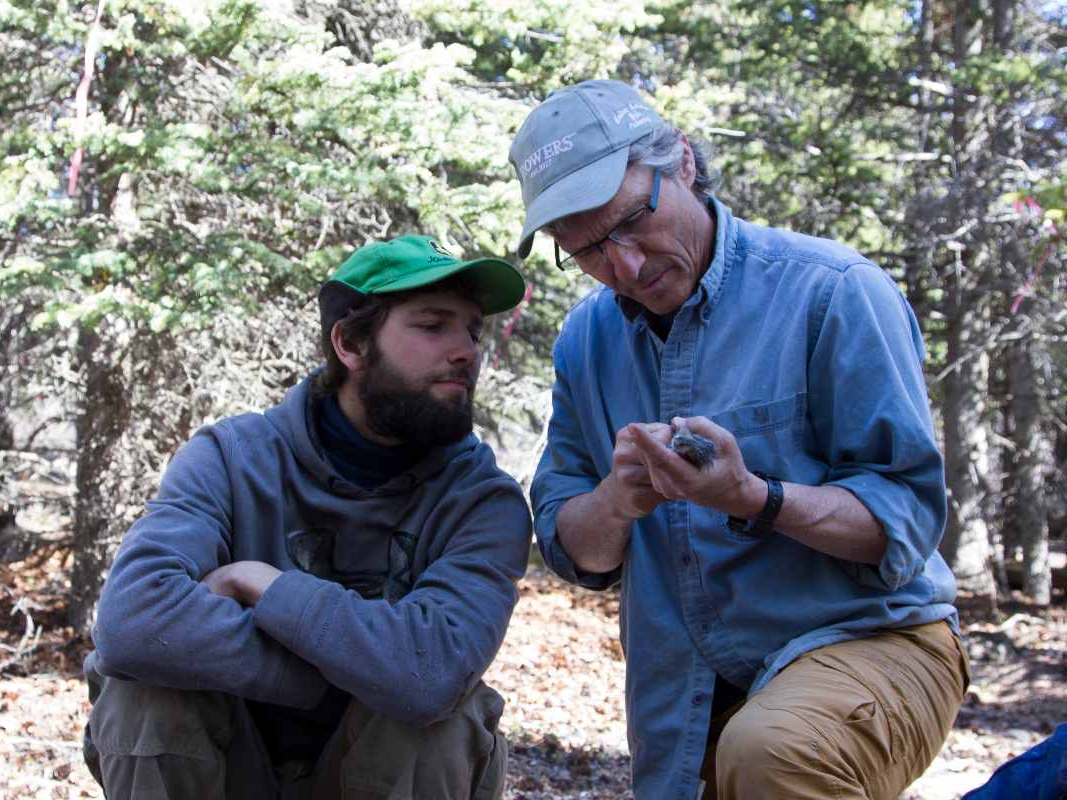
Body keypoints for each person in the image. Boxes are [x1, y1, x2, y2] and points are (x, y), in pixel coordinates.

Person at [509, 79, 972, 799]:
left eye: (632, 220)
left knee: (771, 753)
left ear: (683, 163)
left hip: (875, 640)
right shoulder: (586, 343)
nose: (624, 267)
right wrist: (617, 498)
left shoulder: (834, 292)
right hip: (685, 689)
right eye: (590, 250)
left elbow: (905, 521)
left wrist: (755, 497)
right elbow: (577, 548)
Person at [82, 235, 532, 800]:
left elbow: (432, 675)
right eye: (432, 325)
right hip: (231, 763)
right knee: (142, 693)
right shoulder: (230, 458)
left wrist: (263, 585)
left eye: (473, 330)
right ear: (350, 343)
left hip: (377, 769)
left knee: (443, 716)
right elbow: (131, 623)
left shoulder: (483, 499)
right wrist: (346, 672)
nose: (467, 350)